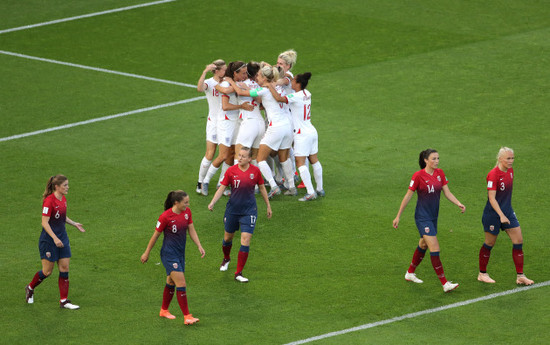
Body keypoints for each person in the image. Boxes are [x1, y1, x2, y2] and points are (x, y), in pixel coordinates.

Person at [392, 149, 465, 293]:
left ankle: (410, 273)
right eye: (433, 158)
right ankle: (445, 284)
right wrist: (398, 215)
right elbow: (408, 196)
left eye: (438, 158)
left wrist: (458, 203)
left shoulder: (440, 173)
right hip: (422, 217)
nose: (437, 161)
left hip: (433, 217)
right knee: (435, 248)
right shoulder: (418, 176)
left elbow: (447, 192)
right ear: (426, 160)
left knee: (423, 244)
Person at [227, 64, 295, 199]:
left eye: (258, 75)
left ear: (264, 77)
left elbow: (241, 93)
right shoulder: (278, 88)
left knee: (260, 159)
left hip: (276, 127)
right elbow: (261, 100)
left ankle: (273, 186)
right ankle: (291, 186)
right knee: (284, 157)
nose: (256, 77)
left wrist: (231, 82)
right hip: (288, 126)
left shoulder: (263, 90)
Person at [208, 147, 272, 282]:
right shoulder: (231, 171)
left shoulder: (255, 171)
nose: (240, 158)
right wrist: (213, 202)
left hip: (249, 211)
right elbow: (222, 188)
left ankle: (238, 273)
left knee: (246, 239)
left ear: (250, 159)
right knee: (227, 238)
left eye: (243, 156)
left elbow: (261, 188)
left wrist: (268, 205)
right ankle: (226, 258)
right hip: (232, 210)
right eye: (239, 155)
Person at [141, 191, 205, 325]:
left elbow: (191, 230)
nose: (187, 205)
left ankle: (164, 310)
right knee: (181, 283)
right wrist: (147, 252)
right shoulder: (165, 217)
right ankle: (187, 316)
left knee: (171, 282)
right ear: (176, 202)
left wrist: (199, 245)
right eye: (185, 202)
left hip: (180, 253)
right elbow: (155, 235)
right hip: (169, 254)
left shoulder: (187, 213)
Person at [25, 175, 86, 309]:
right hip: (49, 240)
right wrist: (54, 238)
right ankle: (30, 288)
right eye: (65, 185)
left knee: (64, 268)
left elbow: (61, 216)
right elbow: (44, 223)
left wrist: (74, 223)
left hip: (62, 238)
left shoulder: (63, 199)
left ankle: (64, 301)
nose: (67, 187)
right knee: (47, 272)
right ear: (57, 187)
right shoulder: (49, 201)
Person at [478, 147, 534, 285]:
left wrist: (506, 213)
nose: (511, 161)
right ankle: (482, 274)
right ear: (500, 159)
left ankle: (520, 276)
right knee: (489, 243)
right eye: (508, 158)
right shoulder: (493, 174)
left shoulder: (510, 171)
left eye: (512, 158)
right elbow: (492, 198)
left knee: (518, 241)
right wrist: (501, 215)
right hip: (493, 215)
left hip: (508, 212)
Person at [266, 72, 324, 201]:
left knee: (300, 163)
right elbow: (295, 85)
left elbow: (279, 99)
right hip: (312, 131)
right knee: (314, 159)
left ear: (298, 84)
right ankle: (320, 189)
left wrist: (270, 86)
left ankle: (310, 192)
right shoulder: (307, 93)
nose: (291, 83)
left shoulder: (295, 96)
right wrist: (289, 76)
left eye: (293, 81)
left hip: (301, 134)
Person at [201, 61, 253, 196]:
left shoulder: (236, 83)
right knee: (223, 155)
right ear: (235, 73)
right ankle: (205, 182)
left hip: (236, 121)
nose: (245, 75)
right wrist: (241, 106)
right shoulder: (225, 84)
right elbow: (225, 106)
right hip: (225, 122)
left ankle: (221, 183)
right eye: (242, 73)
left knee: (232, 154)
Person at [195, 59, 227, 194]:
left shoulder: (227, 81)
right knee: (210, 154)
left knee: (227, 153)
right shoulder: (210, 82)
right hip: (213, 123)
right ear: (217, 71)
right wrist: (204, 71)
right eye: (224, 69)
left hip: (226, 123)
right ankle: (200, 182)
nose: (226, 71)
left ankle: (222, 183)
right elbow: (199, 88)